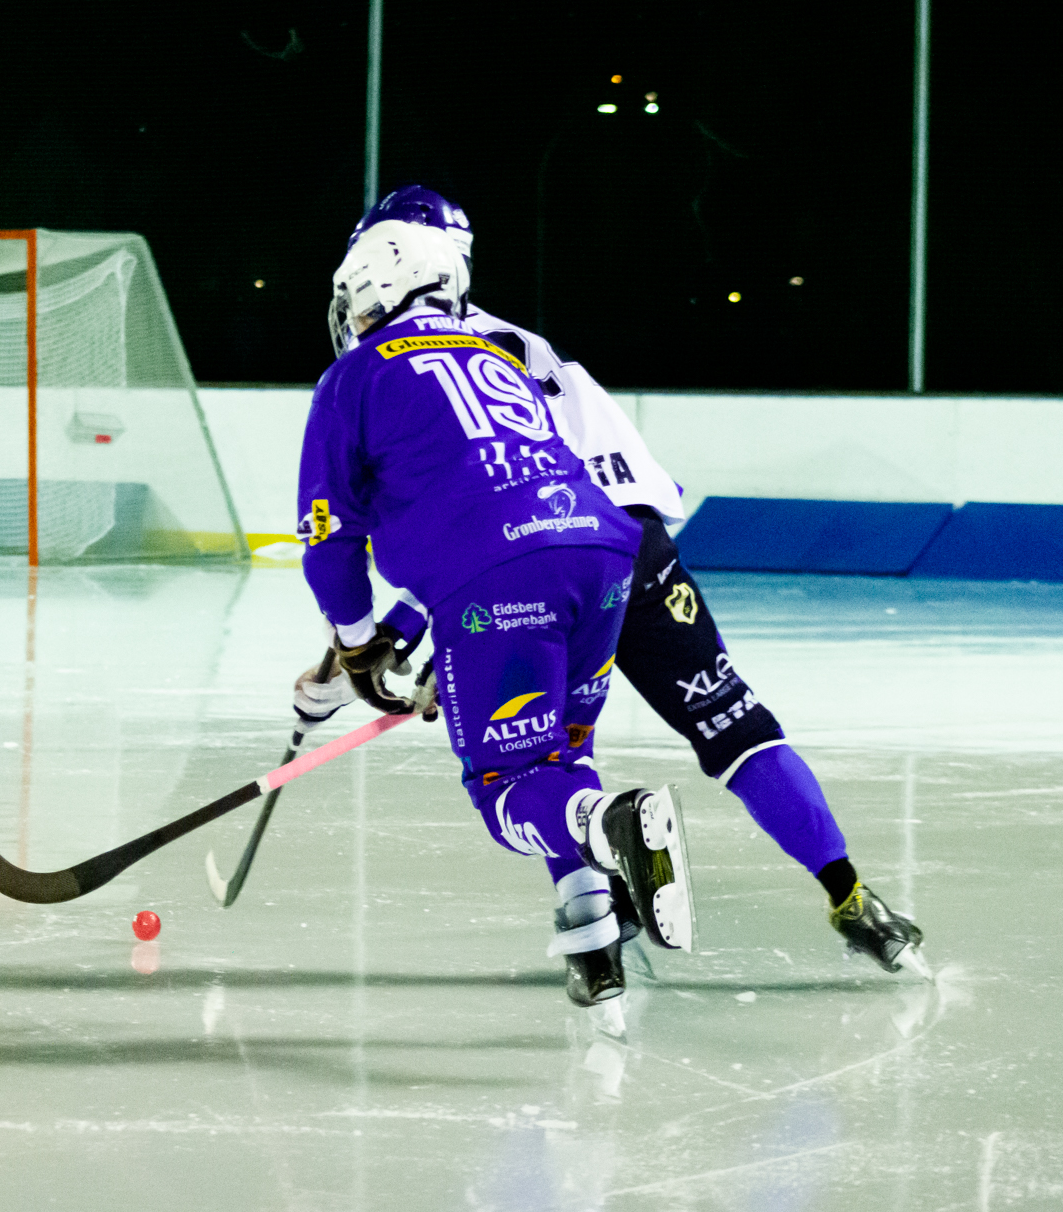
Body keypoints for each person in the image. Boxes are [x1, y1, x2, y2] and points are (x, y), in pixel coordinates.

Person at [298, 186, 927, 979]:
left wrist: (410, 636)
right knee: (732, 724)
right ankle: (854, 897)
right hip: (634, 545)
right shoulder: (507, 342)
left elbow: (475, 506)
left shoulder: (399, 362)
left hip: (526, 555)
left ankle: (596, 915)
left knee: (536, 758)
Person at [300, 218, 695, 1027]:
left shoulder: (352, 380)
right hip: (604, 558)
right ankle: (593, 945)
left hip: (496, 579)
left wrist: (354, 644)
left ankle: (608, 822)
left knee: (506, 786)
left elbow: (329, 544)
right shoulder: (497, 355)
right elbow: (504, 486)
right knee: (560, 752)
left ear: (372, 292)